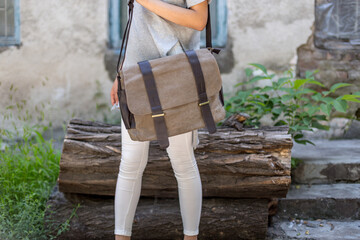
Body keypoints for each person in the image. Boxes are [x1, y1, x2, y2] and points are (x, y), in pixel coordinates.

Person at [109, 0, 211, 239]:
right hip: (135, 75)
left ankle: (190, 237)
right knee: (130, 163)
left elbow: (198, 20)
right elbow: (137, 24)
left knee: (183, 162)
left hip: (175, 74)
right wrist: (121, 70)